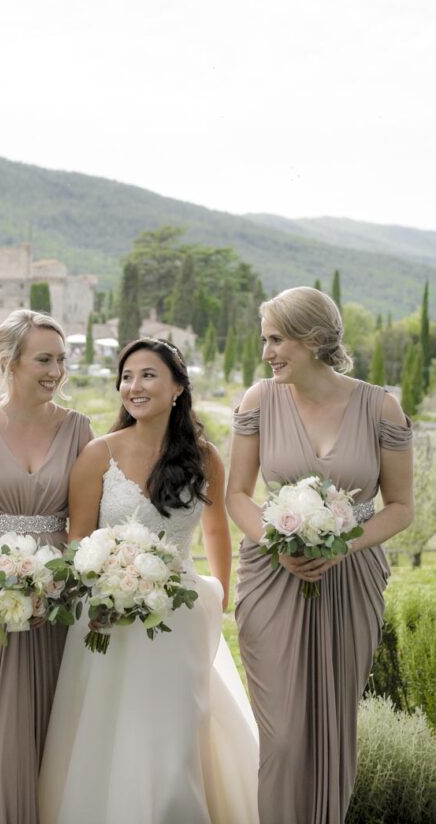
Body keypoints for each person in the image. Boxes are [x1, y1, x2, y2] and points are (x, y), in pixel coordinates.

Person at [39, 337, 259, 824]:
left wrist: (218, 596)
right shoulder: (99, 454)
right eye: (127, 376)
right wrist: (99, 589)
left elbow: (217, 529)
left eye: (148, 375)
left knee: (173, 730)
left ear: (178, 386)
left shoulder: (205, 458)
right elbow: (77, 538)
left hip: (176, 618)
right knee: (107, 727)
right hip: (104, 618)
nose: (133, 386)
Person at [226, 286, 414, 824]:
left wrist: (343, 548)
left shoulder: (380, 406)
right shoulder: (258, 399)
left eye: (277, 339)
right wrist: (277, 544)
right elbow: (237, 494)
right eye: (266, 340)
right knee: (283, 735)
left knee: (334, 727)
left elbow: (401, 508)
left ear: (312, 339)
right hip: (271, 577)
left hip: (350, 579)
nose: (267, 353)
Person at [0, 308, 93, 824]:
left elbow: (81, 524)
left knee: (51, 732)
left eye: (61, 360)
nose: (55, 371)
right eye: (43, 359)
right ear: (10, 361)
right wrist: (1, 583)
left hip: (56, 601)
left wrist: (51, 587)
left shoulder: (79, 430)